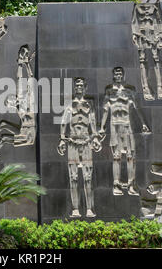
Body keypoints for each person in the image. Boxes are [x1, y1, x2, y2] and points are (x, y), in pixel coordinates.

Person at [99, 67, 150, 196]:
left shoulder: (130, 91)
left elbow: (137, 107)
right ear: (113, 75)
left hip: (127, 125)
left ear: (124, 75)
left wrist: (144, 123)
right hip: (114, 125)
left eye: (120, 73)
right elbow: (105, 110)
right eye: (116, 73)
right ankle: (116, 184)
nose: (118, 75)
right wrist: (102, 126)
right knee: (116, 157)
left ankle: (131, 184)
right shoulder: (109, 91)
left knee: (130, 156)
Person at [57, 77, 102, 218]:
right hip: (72, 143)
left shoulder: (90, 105)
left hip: (86, 142)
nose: (79, 87)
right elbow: (64, 123)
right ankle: (75, 208)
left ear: (85, 87)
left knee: (88, 178)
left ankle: (89, 208)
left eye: (81, 85)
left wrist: (95, 138)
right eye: (77, 85)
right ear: (74, 88)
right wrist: (62, 140)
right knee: (73, 177)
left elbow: (93, 123)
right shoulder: (69, 105)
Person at [132, 3, 162, 101]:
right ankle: (146, 89)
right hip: (142, 37)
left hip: (154, 36)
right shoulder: (137, 9)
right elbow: (134, 22)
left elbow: (158, 21)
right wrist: (135, 35)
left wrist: (160, 34)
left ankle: (160, 89)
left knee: (157, 61)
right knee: (143, 61)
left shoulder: (155, 8)